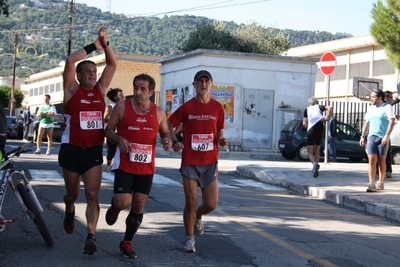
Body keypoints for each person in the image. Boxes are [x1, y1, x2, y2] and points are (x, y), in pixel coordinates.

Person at [58, 26, 117, 255]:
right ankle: (70, 208)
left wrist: (107, 44)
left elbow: (111, 65)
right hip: (71, 150)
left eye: (94, 70)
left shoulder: (100, 91)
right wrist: (95, 46)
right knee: (72, 194)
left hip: (92, 151)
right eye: (88, 71)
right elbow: (70, 60)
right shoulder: (72, 90)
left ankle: (91, 236)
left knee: (92, 195)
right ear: (79, 76)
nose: (93, 73)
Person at [104, 74, 172, 259]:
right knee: (123, 202)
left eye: (143, 89)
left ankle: (126, 243)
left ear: (151, 92)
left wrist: (166, 140)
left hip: (146, 167)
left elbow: (166, 132)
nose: (138, 92)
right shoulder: (121, 107)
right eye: (135, 88)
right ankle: (115, 208)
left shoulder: (158, 112)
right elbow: (108, 130)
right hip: (125, 164)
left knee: (139, 204)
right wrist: (118, 139)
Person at [168, 70, 227, 253]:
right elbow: (169, 125)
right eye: (199, 81)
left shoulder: (218, 108)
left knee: (211, 204)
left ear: (211, 85)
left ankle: (198, 217)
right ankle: (189, 239)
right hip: (190, 162)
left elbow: (219, 132)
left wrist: (222, 140)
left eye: (206, 81)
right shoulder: (187, 107)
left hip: (210, 161)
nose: (203, 84)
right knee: (191, 201)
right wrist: (175, 141)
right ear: (194, 85)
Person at [359, 89, 395, 192]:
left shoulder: (387, 107)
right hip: (371, 137)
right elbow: (366, 123)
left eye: (373, 97)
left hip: (382, 137)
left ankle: (381, 181)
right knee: (371, 161)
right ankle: (371, 184)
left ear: (380, 97)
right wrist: (362, 136)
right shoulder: (370, 108)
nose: (371, 99)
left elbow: (392, 121)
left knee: (381, 160)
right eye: (371, 97)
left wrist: (386, 136)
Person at [302, 96, 332, 178]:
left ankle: (314, 165)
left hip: (311, 129)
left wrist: (308, 127)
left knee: (310, 151)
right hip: (320, 128)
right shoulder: (319, 107)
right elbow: (329, 107)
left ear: (309, 103)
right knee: (317, 149)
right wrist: (329, 117)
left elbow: (304, 123)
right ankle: (316, 167)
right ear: (317, 102)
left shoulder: (307, 109)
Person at [104, 88, 125, 173]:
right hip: (112, 133)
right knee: (111, 153)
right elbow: (104, 119)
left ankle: (119, 167)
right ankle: (109, 163)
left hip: (122, 133)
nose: (122, 97)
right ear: (115, 97)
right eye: (120, 95)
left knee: (122, 150)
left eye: (122, 95)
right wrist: (113, 121)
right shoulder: (110, 107)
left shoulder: (124, 106)